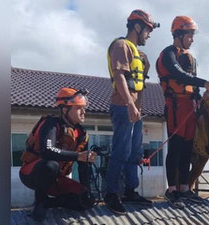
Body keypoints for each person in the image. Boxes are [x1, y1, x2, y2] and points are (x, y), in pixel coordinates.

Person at [156, 15, 209, 209]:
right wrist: (204, 82)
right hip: (175, 106)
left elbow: (192, 83)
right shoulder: (168, 54)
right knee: (175, 148)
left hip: (189, 107)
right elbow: (178, 75)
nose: (192, 39)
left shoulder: (191, 58)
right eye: (189, 35)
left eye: (192, 35)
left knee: (186, 149)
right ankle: (172, 190)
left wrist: (200, 98)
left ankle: (185, 188)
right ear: (179, 34)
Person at [104, 9, 159, 214]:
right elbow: (119, 76)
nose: (149, 34)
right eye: (148, 30)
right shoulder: (121, 46)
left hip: (136, 110)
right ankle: (111, 194)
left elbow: (139, 85)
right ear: (137, 26)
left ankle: (129, 191)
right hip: (122, 107)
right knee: (121, 150)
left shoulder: (138, 53)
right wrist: (129, 104)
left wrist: (137, 108)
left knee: (135, 152)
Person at [19, 87, 97, 222]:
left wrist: (86, 191)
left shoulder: (82, 134)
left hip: (57, 179)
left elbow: (83, 165)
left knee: (86, 200)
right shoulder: (51, 124)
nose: (84, 111)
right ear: (65, 109)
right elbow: (47, 151)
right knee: (50, 164)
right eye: (79, 108)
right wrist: (78, 156)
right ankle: (40, 203)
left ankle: (49, 202)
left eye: (84, 108)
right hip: (32, 173)